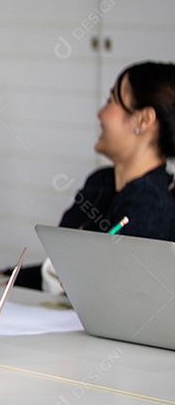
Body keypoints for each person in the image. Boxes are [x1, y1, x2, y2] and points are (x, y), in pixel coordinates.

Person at [42, 62, 175, 291]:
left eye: (112, 100)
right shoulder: (100, 183)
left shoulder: (156, 205)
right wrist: (6, 277)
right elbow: (60, 263)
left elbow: (113, 290)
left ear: (143, 120)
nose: (100, 113)